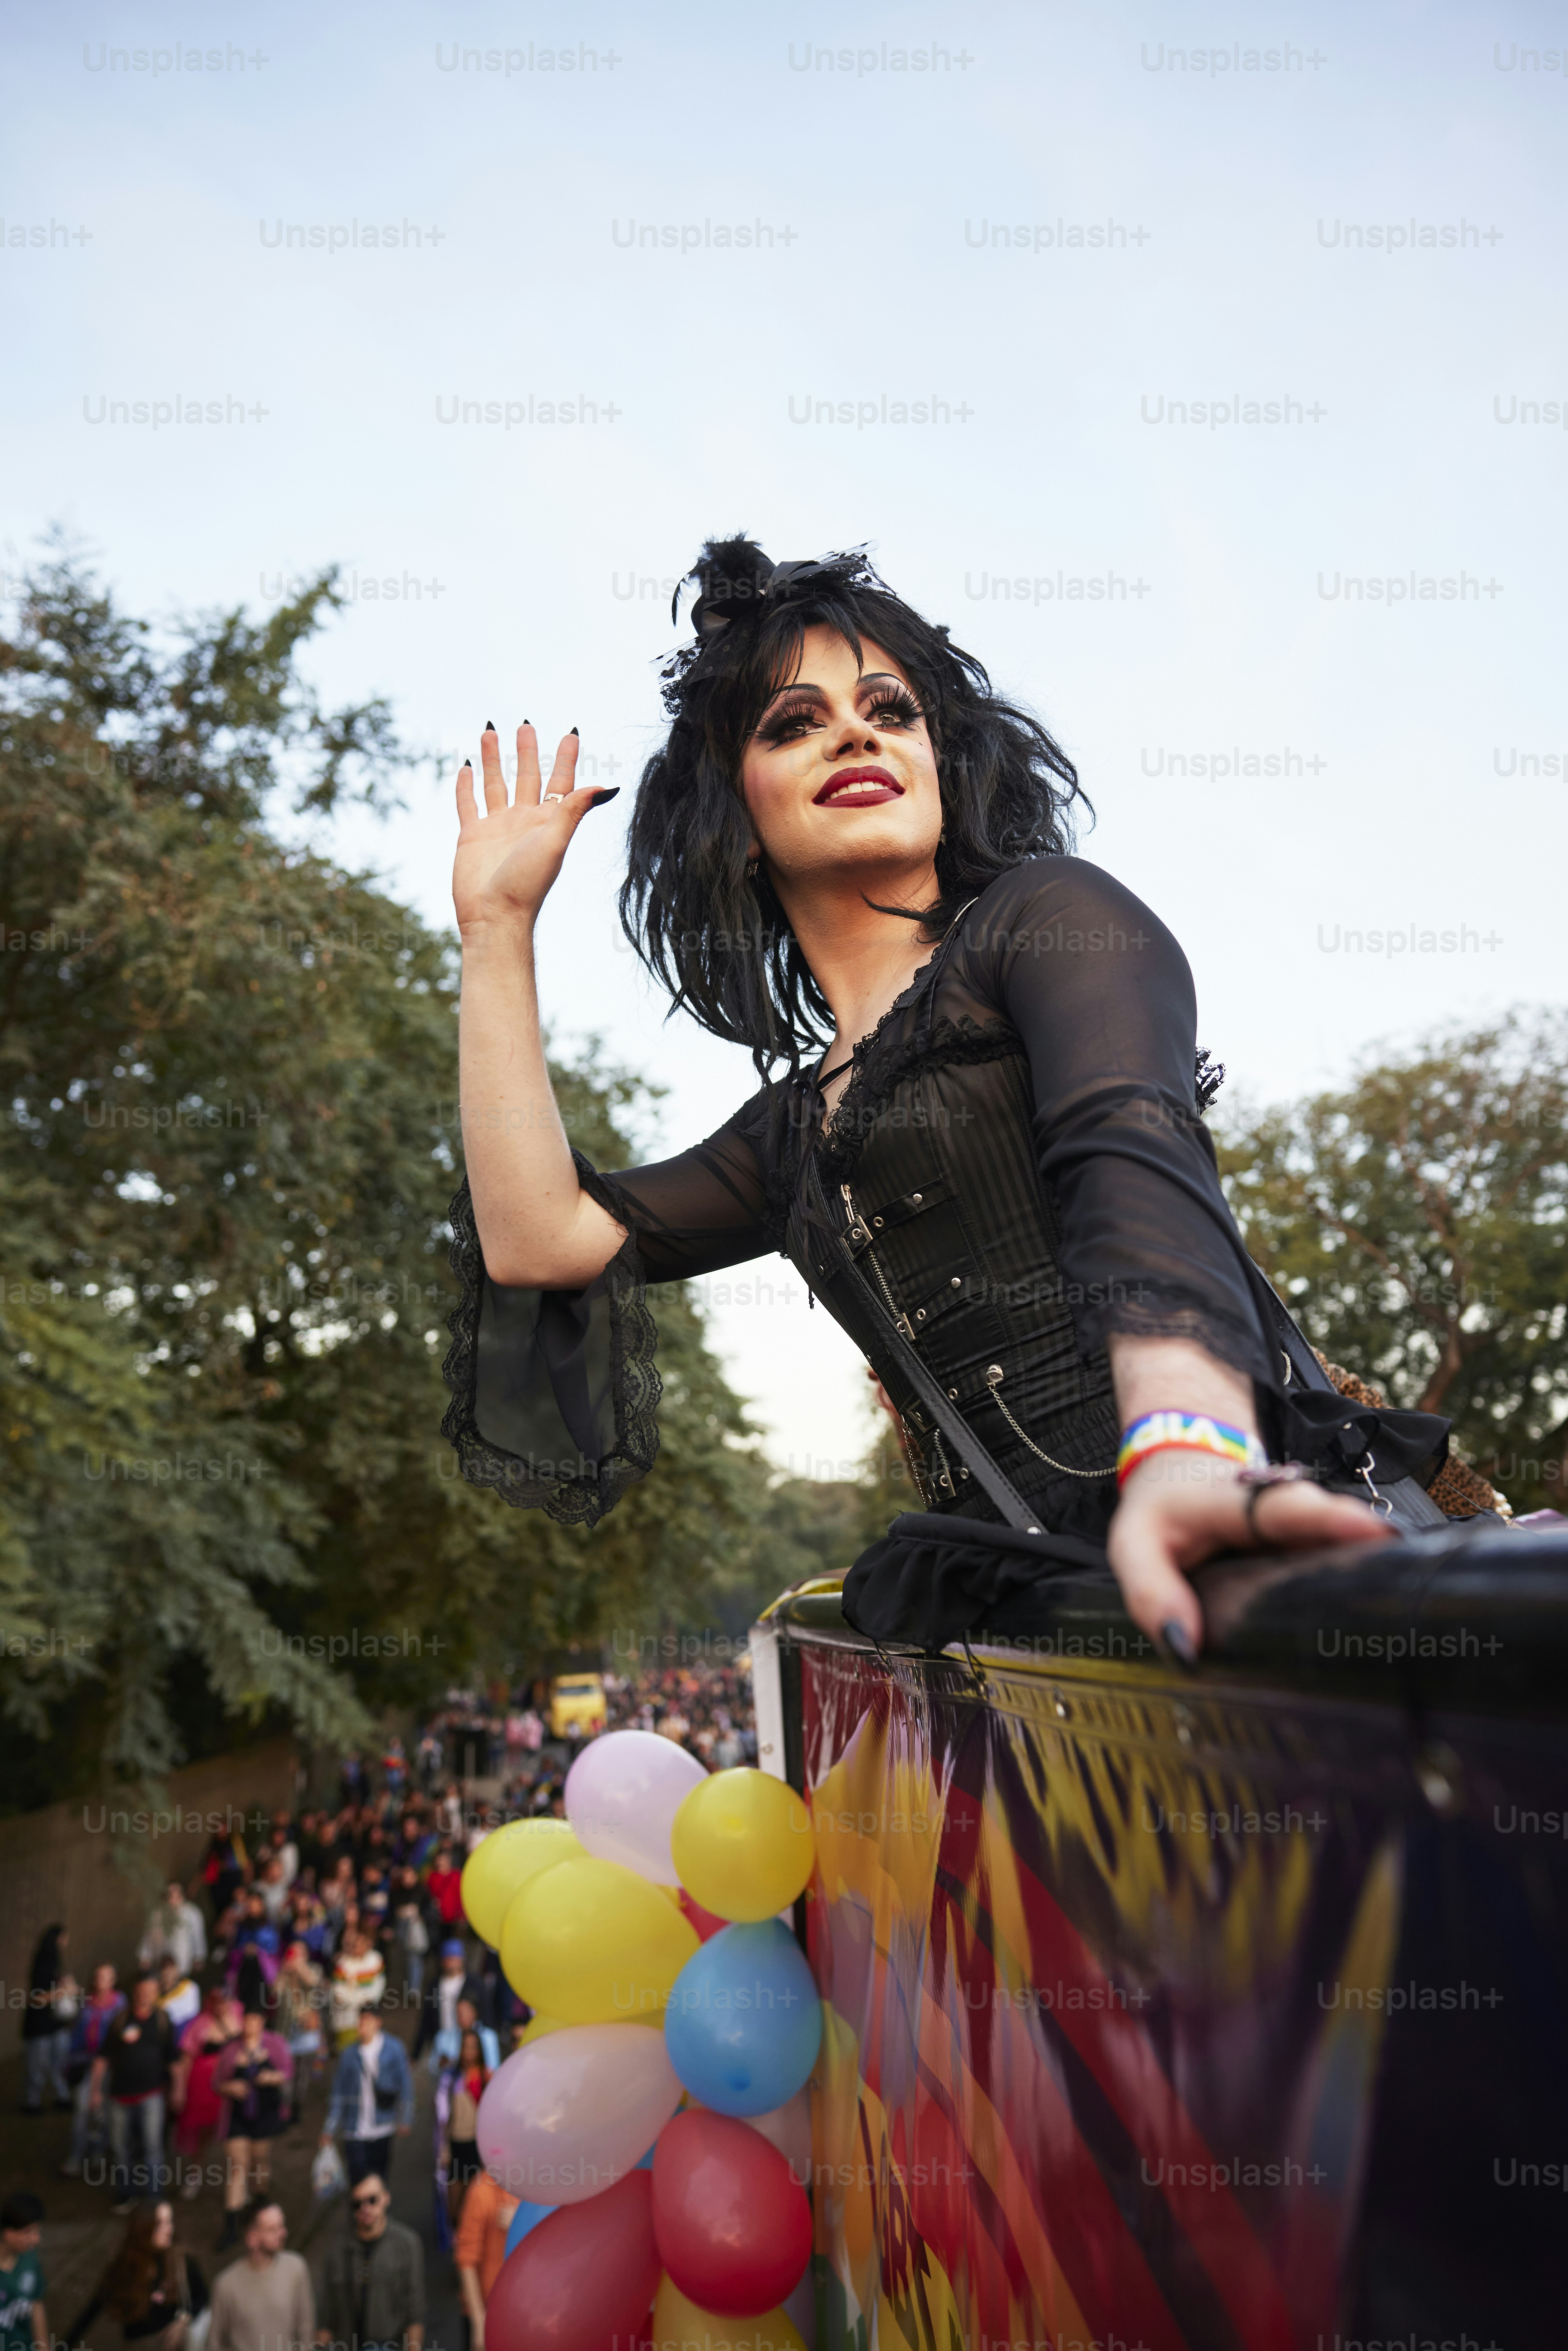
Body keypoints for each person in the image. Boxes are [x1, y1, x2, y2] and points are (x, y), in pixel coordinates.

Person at [442, 537, 1405, 1660]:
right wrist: (495, 933)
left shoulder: (1049, 920)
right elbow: (534, 1240)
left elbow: (1128, 1155)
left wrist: (1187, 1449)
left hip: (1248, 1536)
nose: (855, 731)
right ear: (735, 823)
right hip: (1043, 1632)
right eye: (791, 722)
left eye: (889, 709)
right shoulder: (787, 1135)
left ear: (943, 761)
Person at [67, 2197, 207, 2347]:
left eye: (170, 2221)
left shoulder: (181, 2260)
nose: (170, 2229)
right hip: (141, 2343)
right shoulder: (125, 2268)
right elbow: (93, 2309)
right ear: (144, 2228)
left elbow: (202, 2295)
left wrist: (183, 2321)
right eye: (160, 2223)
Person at [94, 1975, 176, 2213]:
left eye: (151, 1991)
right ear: (134, 1992)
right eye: (142, 1991)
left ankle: (155, 2194)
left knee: (153, 2146)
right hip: (119, 2096)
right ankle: (126, 2192)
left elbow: (173, 2058)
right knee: (120, 2147)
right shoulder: (119, 2020)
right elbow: (103, 2058)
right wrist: (95, 2092)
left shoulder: (163, 2021)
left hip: (152, 2094)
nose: (146, 1996)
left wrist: (178, 2089)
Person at [314, 2173, 423, 2351]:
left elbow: (415, 2309)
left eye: (372, 2200)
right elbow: (327, 2311)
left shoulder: (407, 2244)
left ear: (386, 2198)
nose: (365, 2209)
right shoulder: (338, 2248)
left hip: (389, 2344)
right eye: (357, 2204)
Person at [212, 2009, 292, 2247]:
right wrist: (230, 2088)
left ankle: (259, 2200)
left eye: (255, 2019)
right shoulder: (231, 2050)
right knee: (238, 2166)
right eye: (246, 2019)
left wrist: (271, 2077)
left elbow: (287, 2072)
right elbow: (217, 2083)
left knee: (260, 2161)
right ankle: (231, 2226)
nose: (250, 2024)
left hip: (264, 2114)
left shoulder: (274, 2044)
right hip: (237, 2118)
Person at [322, 2003, 415, 2188]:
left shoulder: (394, 2049)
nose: (361, 2025)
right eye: (360, 2020)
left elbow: (405, 2086)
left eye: (366, 2021)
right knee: (357, 2180)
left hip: (383, 2126)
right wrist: (330, 2128)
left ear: (377, 2023)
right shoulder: (349, 2054)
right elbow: (339, 2093)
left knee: (379, 2179)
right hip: (354, 2129)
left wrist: (405, 2118)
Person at [207, 2202, 313, 2351]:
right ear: (252, 2238)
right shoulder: (226, 2285)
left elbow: (305, 2326)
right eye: (272, 2229)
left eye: (281, 2226)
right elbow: (215, 2343)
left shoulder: (296, 2268)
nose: (283, 2234)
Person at [169, 1989, 240, 2200]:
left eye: (226, 2002)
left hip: (231, 2085)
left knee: (234, 2134)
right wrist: (180, 2088)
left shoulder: (238, 2020)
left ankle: (237, 2181)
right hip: (204, 2087)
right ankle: (196, 2175)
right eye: (218, 2002)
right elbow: (187, 2057)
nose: (222, 2007)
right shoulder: (200, 2024)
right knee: (203, 2133)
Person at [61, 1963, 126, 2176]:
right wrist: (70, 2061)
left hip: (110, 2066)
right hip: (86, 2063)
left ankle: (98, 2152)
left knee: (103, 2111)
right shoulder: (87, 2004)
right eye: (99, 1977)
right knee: (82, 2107)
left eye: (107, 1977)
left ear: (114, 1980)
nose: (102, 1981)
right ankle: (76, 2156)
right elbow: (78, 2034)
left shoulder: (120, 2004)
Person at [451, 2166, 519, 2351]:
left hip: (526, 2312)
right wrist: (479, 2320)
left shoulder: (543, 2192)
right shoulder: (482, 2190)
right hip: (489, 2310)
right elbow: (466, 2259)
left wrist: (521, 2223)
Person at [434, 2027, 491, 2227]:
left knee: (475, 2201)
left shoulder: (486, 2078)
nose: (469, 2052)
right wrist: (443, 2149)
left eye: (473, 2047)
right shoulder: (451, 2079)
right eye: (465, 2047)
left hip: (477, 2147)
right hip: (456, 2145)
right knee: (454, 2205)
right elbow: (443, 2119)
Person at [20, 1926, 74, 2116]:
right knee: (38, 2066)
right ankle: (32, 2102)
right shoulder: (44, 1961)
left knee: (58, 2063)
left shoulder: (54, 1959)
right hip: (40, 2025)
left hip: (55, 2023)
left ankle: (62, 2097)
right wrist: (64, 1992)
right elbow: (38, 1998)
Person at [411, 1944, 487, 2067]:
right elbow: (426, 2018)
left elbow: (486, 2010)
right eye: (448, 1958)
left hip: (469, 2042)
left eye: (454, 1957)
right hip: (444, 2040)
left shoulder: (475, 1983)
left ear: (462, 1959)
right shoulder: (435, 1985)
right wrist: (416, 2053)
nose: (451, 1962)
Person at [0, 2194, 47, 2351]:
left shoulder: (29, 2260)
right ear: (8, 2232)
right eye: (28, 2232)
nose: (36, 2239)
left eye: (37, 2231)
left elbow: (36, 2304)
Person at [329, 1929, 386, 2052]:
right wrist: (358, 2000)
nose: (357, 1949)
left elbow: (379, 1985)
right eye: (354, 1946)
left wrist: (367, 2001)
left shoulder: (376, 1960)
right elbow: (339, 1992)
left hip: (368, 2014)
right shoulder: (343, 1964)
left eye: (360, 1945)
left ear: (367, 1945)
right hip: (347, 2018)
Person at [138, 1884, 208, 1979]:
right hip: (160, 1959)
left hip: (183, 1959)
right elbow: (148, 1936)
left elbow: (198, 1935)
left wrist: (199, 1956)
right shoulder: (157, 1914)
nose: (173, 1899)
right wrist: (146, 1956)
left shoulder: (192, 1913)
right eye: (170, 1895)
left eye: (177, 1895)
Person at [155, 1957, 202, 2037]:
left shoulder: (190, 1987)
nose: (168, 1974)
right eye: (165, 1971)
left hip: (190, 2033)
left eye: (171, 1970)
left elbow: (194, 2013)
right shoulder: (155, 1997)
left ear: (176, 1970)